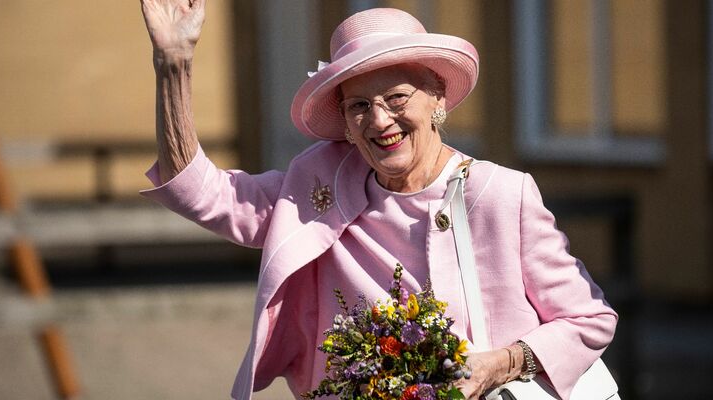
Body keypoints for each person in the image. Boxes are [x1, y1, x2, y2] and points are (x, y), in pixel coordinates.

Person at [139, 1, 617, 399]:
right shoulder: (316, 185)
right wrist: (173, 67)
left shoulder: (499, 194)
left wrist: (501, 364)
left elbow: (589, 320)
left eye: (396, 97)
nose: (380, 120)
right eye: (360, 106)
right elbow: (198, 193)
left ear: (437, 99)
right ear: (346, 123)